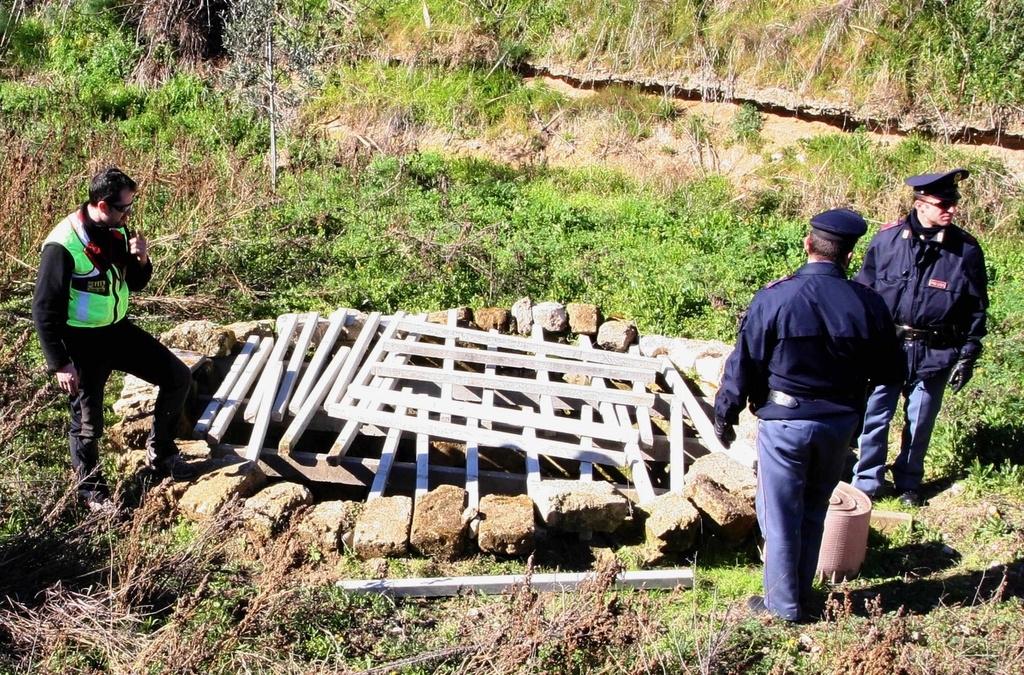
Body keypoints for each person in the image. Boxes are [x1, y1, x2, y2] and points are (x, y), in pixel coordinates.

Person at [713, 208, 904, 622]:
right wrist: (858, 414)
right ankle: (801, 596)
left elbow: (744, 363)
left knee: (780, 516)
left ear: (808, 244)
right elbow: (891, 373)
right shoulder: (868, 304)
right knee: (815, 509)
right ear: (849, 255)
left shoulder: (776, 297)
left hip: (785, 423)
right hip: (838, 424)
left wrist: (725, 412)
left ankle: (783, 608)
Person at [33, 166, 195, 512]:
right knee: (88, 423)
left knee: (178, 377)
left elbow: (134, 283)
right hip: (81, 343)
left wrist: (142, 258)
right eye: (124, 207)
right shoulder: (63, 244)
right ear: (103, 205)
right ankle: (92, 493)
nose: (129, 214)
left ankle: (161, 451)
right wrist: (60, 363)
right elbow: (43, 310)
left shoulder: (117, 230)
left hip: (118, 331)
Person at [851, 169, 989, 507]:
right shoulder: (886, 241)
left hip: (936, 350)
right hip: (887, 348)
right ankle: (867, 480)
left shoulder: (966, 250)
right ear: (921, 204)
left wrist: (968, 352)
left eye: (955, 203)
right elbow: (861, 294)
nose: (952, 210)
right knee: (875, 416)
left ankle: (909, 482)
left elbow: (976, 306)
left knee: (921, 419)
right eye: (944, 203)